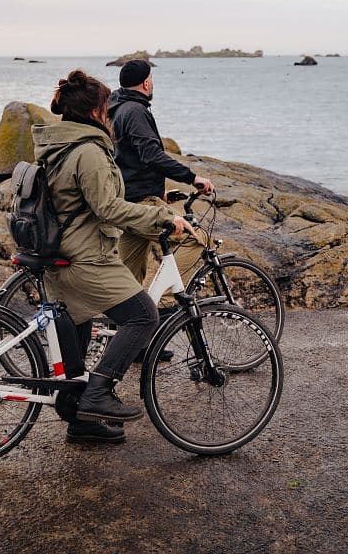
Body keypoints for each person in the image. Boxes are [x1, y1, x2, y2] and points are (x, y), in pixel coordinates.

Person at [33, 69, 194, 445]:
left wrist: (160, 201)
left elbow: (87, 200)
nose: (110, 114)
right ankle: (98, 393)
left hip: (63, 253)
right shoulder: (88, 150)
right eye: (106, 107)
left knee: (80, 323)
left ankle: (82, 420)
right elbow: (107, 207)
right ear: (95, 112)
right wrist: (161, 218)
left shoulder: (61, 146)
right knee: (143, 315)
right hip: (85, 257)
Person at [108, 59, 214, 284]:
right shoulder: (135, 111)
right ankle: (167, 304)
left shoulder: (116, 110)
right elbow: (151, 155)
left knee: (130, 277)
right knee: (197, 239)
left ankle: (131, 318)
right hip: (141, 205)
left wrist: (160, 192)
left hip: (127, 203)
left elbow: (126, 160)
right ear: (146, 83)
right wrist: (193, 178)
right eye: (152, 79)